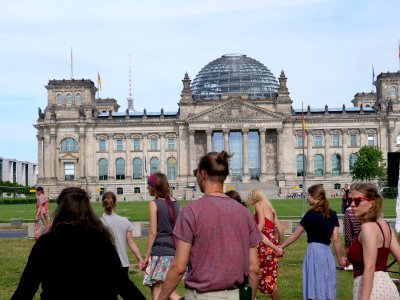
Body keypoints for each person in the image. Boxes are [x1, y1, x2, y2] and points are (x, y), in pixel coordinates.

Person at [158, 151, 263, 300]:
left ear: (202, 174)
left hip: (200, 296)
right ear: (225, 176)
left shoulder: (191, 210)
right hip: (235, 295)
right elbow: (254, 269)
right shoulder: (244, 212)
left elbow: (179, 268)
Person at [12, 187, 145, 300]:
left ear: (60, 210)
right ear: (87, 210)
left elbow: (26, 288)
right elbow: (122, 283)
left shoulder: (45, 243)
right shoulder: (100, 241)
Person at [281, 184, 347, 300]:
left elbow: (296, 235)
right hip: (326, 252)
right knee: (326, 282)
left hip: (314, 252)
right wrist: (340, 258)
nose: (307, 197)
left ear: (313, 196)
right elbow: (335, 239)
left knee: (314, 282)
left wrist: (281, 246)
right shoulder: (333, 214)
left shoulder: (310, 214)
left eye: (308, 195)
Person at [346, 182, 400, 299]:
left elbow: (370, 268)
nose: (352, 205)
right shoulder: (384, 225)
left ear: (371, 203)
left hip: (372, 291)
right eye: (350, 200)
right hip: (389, 289)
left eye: (357, 201)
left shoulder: (368, 227)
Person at [142, 172, 181, 300]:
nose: (147, 188)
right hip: (174, 251)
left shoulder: (154, 204)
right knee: (165, 290)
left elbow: (153, 232)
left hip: (159, 252)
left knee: (160, 291)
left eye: (149, 186)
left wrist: (147, 255)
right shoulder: (176, 203)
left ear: (155, 187)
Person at [246, 189, 283, 300]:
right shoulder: (271, 209)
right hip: (273, 240)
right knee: (270, 277)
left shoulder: (258, 204)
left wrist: (252, 237)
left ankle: (253, 297)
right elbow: (280, 229)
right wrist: (279, 245)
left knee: (253, 271)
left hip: (263, 240)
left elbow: (261, 223)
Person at [101, 191, 145, 273]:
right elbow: (131, 242)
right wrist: (140, 259)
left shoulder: (99, 222)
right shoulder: (124, 221)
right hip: (122, 263)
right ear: (115, 203)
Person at [343, 204, 361, 271]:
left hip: (356, 246)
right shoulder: (375, 210)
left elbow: (348, 236)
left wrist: (348, 258)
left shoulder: (348, 211)